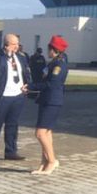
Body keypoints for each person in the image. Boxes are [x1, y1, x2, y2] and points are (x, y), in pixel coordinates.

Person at [0, 34, 31, 163]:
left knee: (12, 125)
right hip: (2, 97)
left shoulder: (21, 56)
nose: (17, 46)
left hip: (17, 96)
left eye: (18, 44)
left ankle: (11, 151)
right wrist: (6, 56)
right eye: (14, 44)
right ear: (6, 45)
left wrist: (28, 85)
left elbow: (26, 72)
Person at [28, 35, 69, 175]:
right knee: (46, 133)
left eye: (49, 49)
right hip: (46, 100)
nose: (47, 51)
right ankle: (44, 162)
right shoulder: (53, 63)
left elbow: (51, 84)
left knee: (40, 133)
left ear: (54, 50)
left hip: (52, 101)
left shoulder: (59, 65)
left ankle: (52, 161)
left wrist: (31, 86)